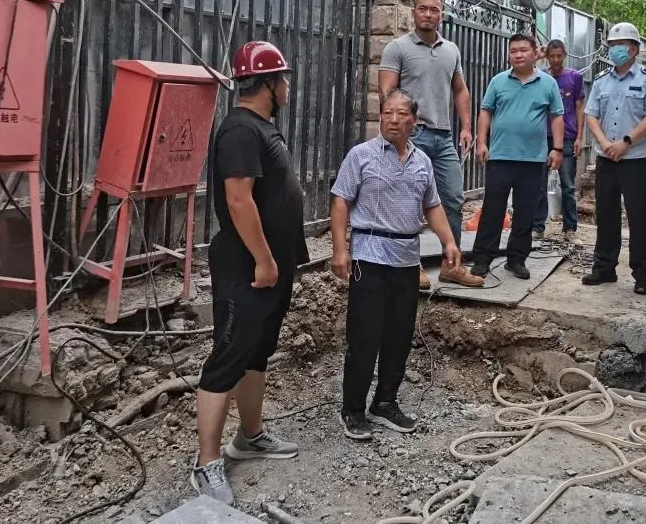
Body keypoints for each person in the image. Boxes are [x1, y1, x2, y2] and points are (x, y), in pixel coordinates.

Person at [192, 41, 304, 505]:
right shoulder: (239, 131)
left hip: (273, 265)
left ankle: (250, 436)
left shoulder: (260, 127)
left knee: (257, 350)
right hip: (247, 265)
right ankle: (206, 463)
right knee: (229, 354)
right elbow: (238, 200)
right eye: (284, 78)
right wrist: (262, 257)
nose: (288, 85)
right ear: (269, 84)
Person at [330, 89, 462, 440]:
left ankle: (385, 402)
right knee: (364, 336)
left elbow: (432, 205)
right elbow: (341, 201)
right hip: (369, 256)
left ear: (414, 121)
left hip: (406, 259)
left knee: (399, 336)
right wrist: (340, 249)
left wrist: (448, 241)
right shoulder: (361, 156)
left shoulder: (423, 162)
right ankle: (353, 409)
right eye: (387, 112)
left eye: (401, 113)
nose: (392, 119)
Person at [378, 0, 483, 290]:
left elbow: (460, 90)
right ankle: (411, 266)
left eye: (434, 10)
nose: (427, 14)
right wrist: (398, 132)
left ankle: (452, 266)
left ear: (442, 15)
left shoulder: (451, 50)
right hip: (413, 137)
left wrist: (466, 126)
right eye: (422, 9)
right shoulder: (396, 48)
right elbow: (387, 94)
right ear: (413, 12)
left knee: (452, 198)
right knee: (408, 201)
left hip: (443, 137)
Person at [581, 22, 646, 295]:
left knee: (640, 217)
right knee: (606, 214)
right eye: (611, 45)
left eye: (620, 45)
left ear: (633, 48)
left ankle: (643, 274)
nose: (615, 49)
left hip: (636, 160)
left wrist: (626, 142)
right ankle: (604, 267)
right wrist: (606, 143)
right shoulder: (601, 81)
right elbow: (591, 115)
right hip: (607, 158)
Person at [470, 33, 564, 280]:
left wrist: (557, 148)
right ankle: (482, 259)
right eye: (513, 51)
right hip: (500, 156)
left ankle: (516, 259)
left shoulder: (548, 84)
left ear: (535, 53)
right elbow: (485, 112)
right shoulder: (498, 81)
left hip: (533, 160)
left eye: (523, 50)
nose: (518, 54)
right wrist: (481, 142)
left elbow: (556, 116)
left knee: (525, 212)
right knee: (492, 209)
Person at [532, 40, 585, 241]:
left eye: (558, 56)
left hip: (568, 137)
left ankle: (570, 228)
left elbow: (579, 107)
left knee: (568, 185)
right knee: (539, 183)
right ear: (547, 56)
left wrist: (580, 136)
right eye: (551, 56)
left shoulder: (575, 78)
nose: (555, 60)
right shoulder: (541, 77)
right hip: (542, 136)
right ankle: (538, 226)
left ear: (565, 55)